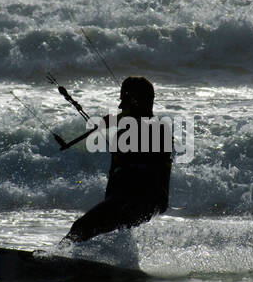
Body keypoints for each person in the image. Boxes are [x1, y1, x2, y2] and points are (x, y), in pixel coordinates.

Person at [63, 76, 172, 244]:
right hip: (126, 200)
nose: (120, 106)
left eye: (124, 101)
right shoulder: (126, 130)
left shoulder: (158, 130)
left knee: (81, 227)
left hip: (144, 201)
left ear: (136, 101)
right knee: (98, 234)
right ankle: (121, 266)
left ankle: (50, 262)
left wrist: (118, 119)